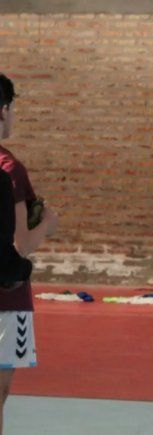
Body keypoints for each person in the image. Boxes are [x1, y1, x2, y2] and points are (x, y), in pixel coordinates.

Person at [0, 73, 58, 435]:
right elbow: (21, 244)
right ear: (4, 110)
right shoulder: (10, 169)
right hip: (7, 299)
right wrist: (47, 224)